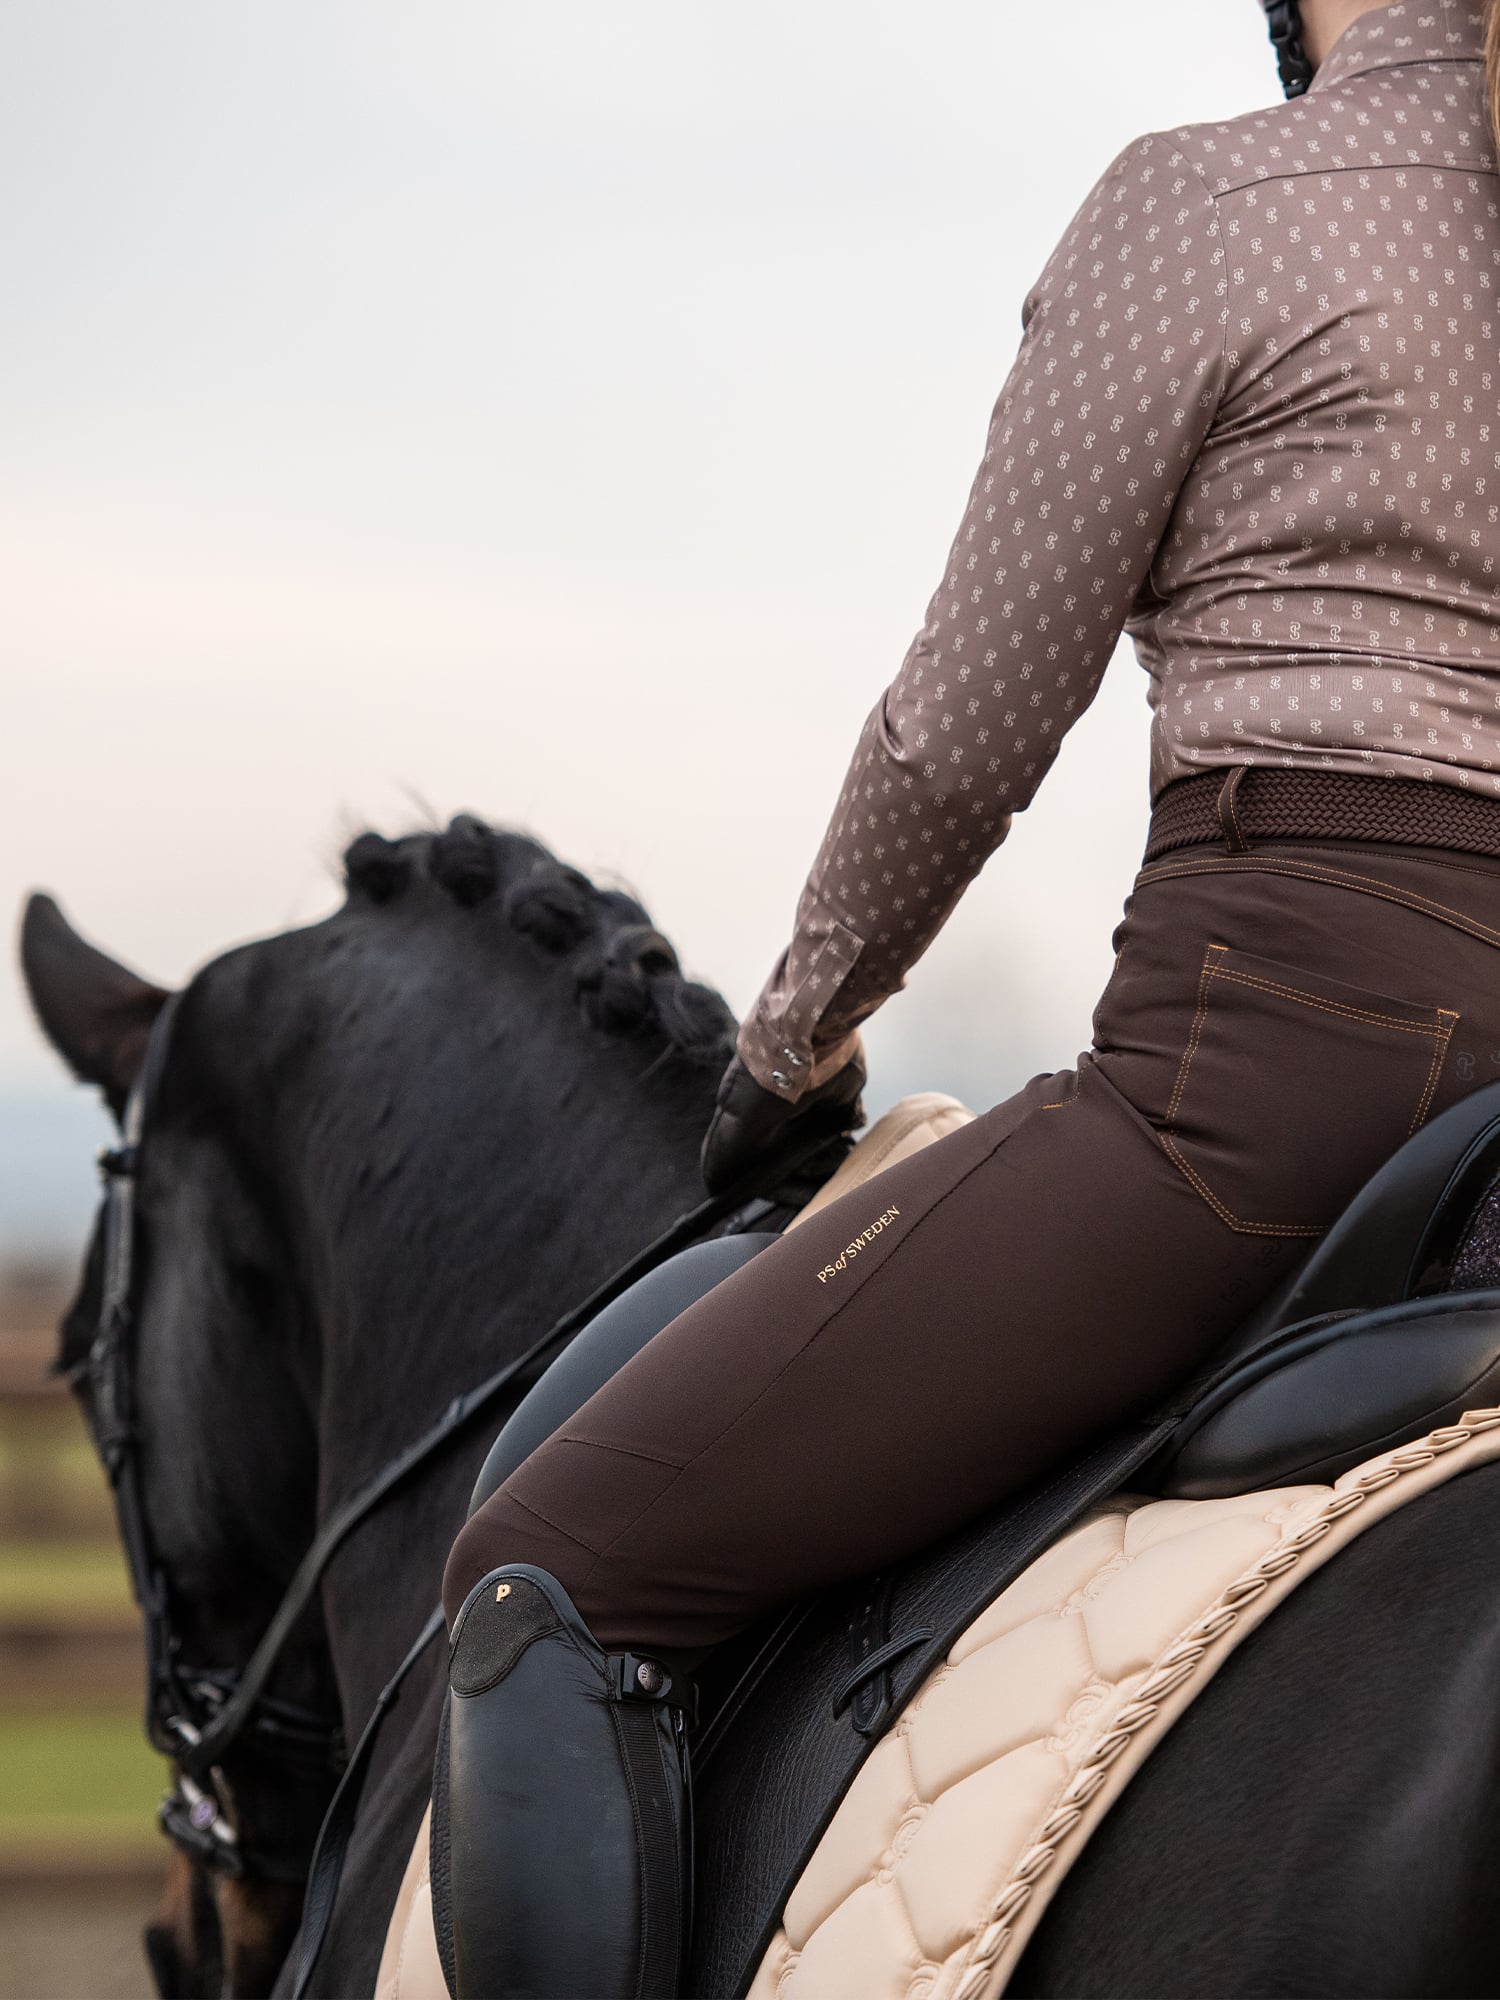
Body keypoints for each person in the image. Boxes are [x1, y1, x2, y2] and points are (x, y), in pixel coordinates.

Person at [438, 3, 1500, 1993]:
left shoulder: (1212, 206)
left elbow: (958, 737)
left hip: (1248, 1116)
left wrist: (792, 1036)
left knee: (552, 1567)